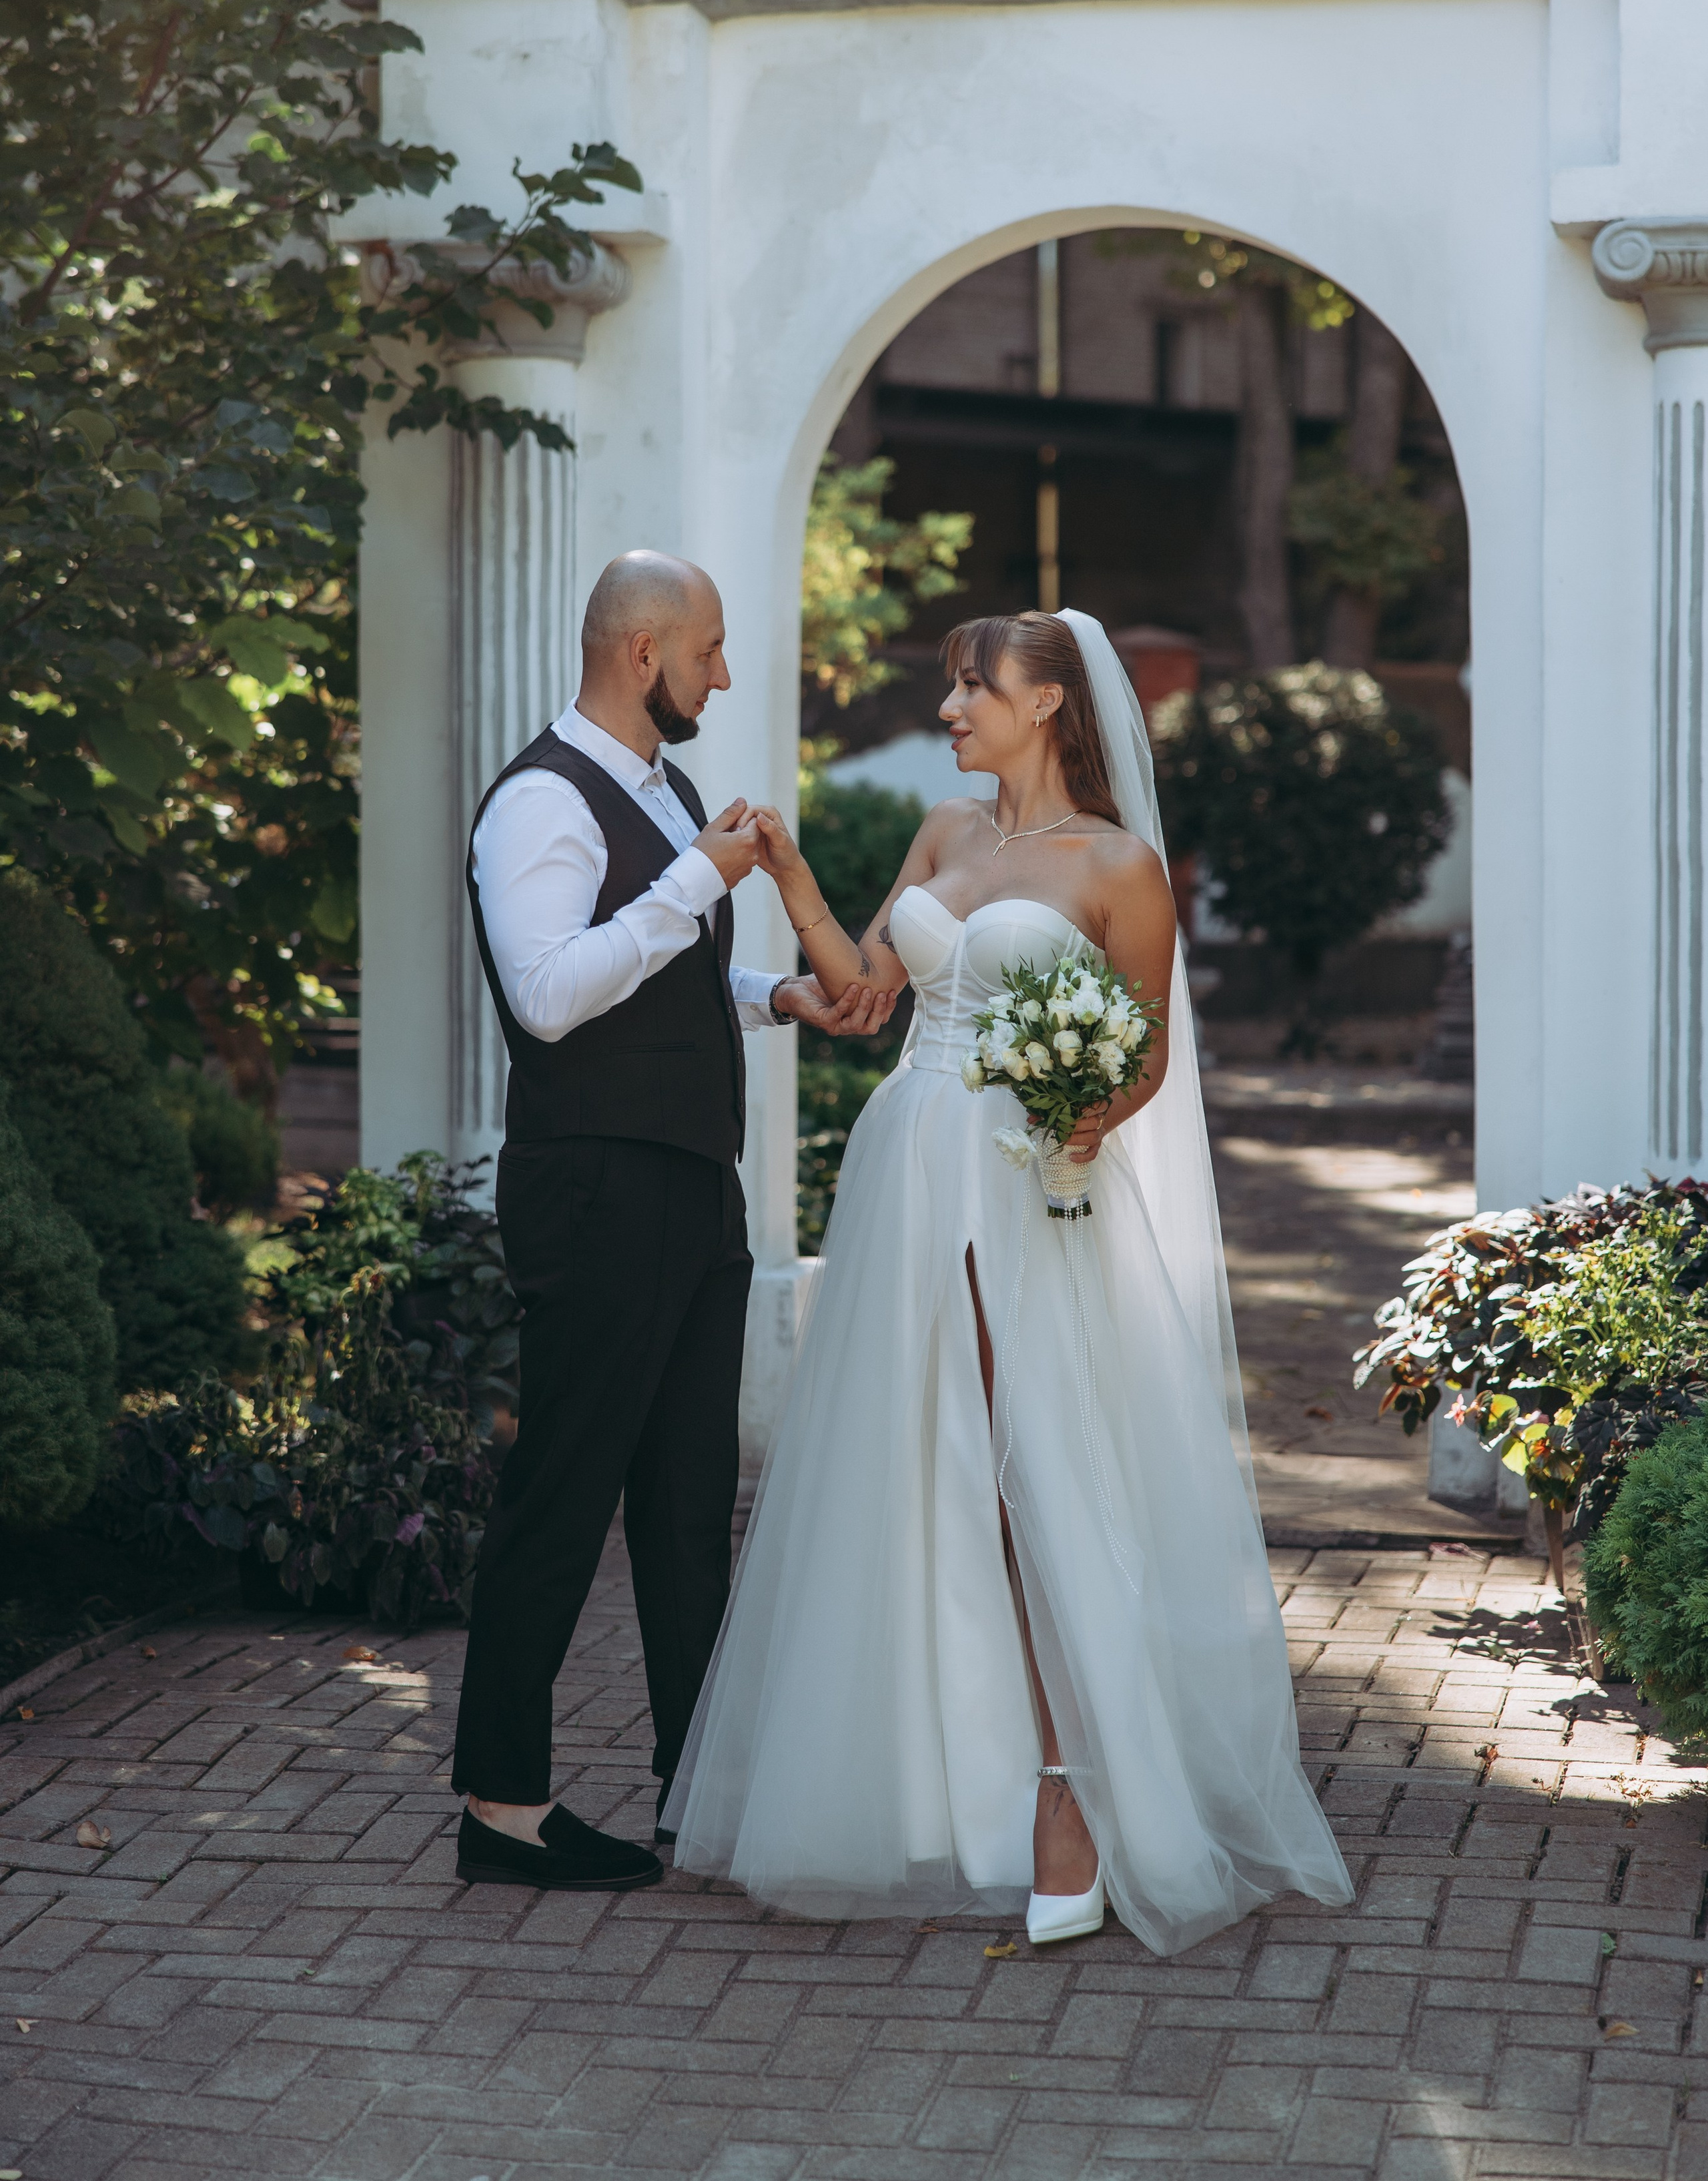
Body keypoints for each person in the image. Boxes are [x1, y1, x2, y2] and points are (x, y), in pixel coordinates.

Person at [664, 607, 1352, 1952]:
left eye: (971, 687)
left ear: (1045, 702)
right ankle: (921, 1784)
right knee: (909, 1463)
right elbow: (862, 996)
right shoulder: (944, 831)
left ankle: (1070, 1792)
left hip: (1023, 1181)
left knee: (1028, 1470)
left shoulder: (1120, 866)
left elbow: (1146, 1058)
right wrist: (788, 878)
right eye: (949, 687)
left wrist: (1082, 1117)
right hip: (905, 1169)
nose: (949, 709)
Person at [451, 551, 894, 1892]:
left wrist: (771, 996)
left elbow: (653, 977)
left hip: (692, 1187)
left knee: (690, 1502)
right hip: (596, 1191)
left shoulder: (666, 792)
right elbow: (549, 996)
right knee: (563, 1491)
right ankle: (501, 1808)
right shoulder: (542, 798)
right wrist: (699, 880)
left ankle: (691, 1789)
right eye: (708, 650)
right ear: (642, 653)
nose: (725, 674)